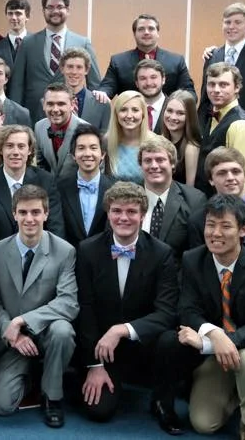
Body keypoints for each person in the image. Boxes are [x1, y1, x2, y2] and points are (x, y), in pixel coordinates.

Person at [158, 194, 245, 439]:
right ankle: (244, 395)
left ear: (243, 230)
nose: (215, 233)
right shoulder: (193, 259)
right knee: (204, 424)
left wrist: (214, 342)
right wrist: (215, 335)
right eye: (210, 225)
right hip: (217, 349)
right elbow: (187, 309)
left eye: (225, 226)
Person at [75, 182, 178, 428]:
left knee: (172, 339)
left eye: (131, 212)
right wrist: (95, 364)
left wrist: (122, 329)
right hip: (102, 349)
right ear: (108, 214)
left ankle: (163, 402)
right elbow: (84, 309)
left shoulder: (161, 253)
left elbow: (166, 312)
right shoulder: (87, 251)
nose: (123, 218)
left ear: (143, 216)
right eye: (117, 211)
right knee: (98, 412)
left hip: (143, 344)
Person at [0, 184, 77, 428]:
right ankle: (34, 375)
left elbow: (68, 302)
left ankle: (52, 396)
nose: (29, 219)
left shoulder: (65, 251)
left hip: (46, 332)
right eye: (23, 212)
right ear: (14, 214)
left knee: (63, 331)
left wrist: (23, 321)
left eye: (36, 212)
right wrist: (11, 329)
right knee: (1, 406)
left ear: (46, 214)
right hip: (12, 340)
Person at [9, 0, 101, 124]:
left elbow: (94, 83)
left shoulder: (83, 43)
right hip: (33, 115)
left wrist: (94, 112)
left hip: (70, 115)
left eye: (60, 7)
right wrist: (15, 117)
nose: (55, 11)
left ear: (68, 10)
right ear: (44, 11)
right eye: (50, 7)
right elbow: (17, 84)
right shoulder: (28, 43)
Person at [0, 125, 64, 243]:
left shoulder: (46, 181)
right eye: (10, 146)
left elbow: (56, 228)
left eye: (21, 146)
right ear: (1, 149)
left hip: (41, 257)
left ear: (29, 150)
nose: (15, 152)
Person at [199, 2, 245, 120]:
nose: (231, 27)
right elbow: (204, 99)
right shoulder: (212, 55)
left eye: (238, 22)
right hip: (213, 125)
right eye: (227, 22)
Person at [195, 62, 245, 196]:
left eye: (223, 85)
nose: (216, 90)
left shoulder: (241, 125)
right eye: (211, 84)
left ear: (237, 87)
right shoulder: (212, 115)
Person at [138, 136, 206, 259]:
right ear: (141, 165)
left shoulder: (195, 200)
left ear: (173, 163)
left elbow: (198, 253)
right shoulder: (127, 197)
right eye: (148, 160)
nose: (154, 165)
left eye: (160, 160)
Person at [98, 13, 194, 98]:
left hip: (165, 116)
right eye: (141, 29)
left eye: (151, 29)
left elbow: (189, 92)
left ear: (158, 33)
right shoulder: (118, 62)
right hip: (130, 116)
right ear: (134, 34)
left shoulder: (176, 61)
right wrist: (102, 94)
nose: (146, 32)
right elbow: (107, 87)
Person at [58, 123, 115, 249]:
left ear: (103, 154)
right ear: (73, 155)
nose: (87, 153)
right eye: (81, 148)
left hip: (103, 257)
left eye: (93, 148)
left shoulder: (115, 189)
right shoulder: (59, 187)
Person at [35, 83, 90, 180]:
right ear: (44, 105)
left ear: (72, 105)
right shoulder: (39, 127)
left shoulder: (86, 130)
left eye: (61, 104)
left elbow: (92, 169)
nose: (55, 109)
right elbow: (40, 165)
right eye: (50, 104)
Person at [104, 91, 156, 184]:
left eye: (135, 110)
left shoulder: (154, 142)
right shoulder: (107, 141)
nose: (129, 115)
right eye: (123, 110)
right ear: (116, 114)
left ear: (143, 114)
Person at [60, 47, 110, 132]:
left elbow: (105, 138)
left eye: (79, 67)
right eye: (70, 67)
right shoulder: (49, 102)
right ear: (62, 69)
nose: (74, 72)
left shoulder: (101, 103)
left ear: (86, 70)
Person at [160, 89, 201, 186]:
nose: (173, 117)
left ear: (189, 117)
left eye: (180, 113)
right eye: (169, 111)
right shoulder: (160, 139)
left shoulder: (191, 148)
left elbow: (190, 188)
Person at [0, 0, 30, 66]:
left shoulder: (39, 45)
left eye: (18, 13)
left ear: (27, 16)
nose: (13, 17)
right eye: (10, 13)